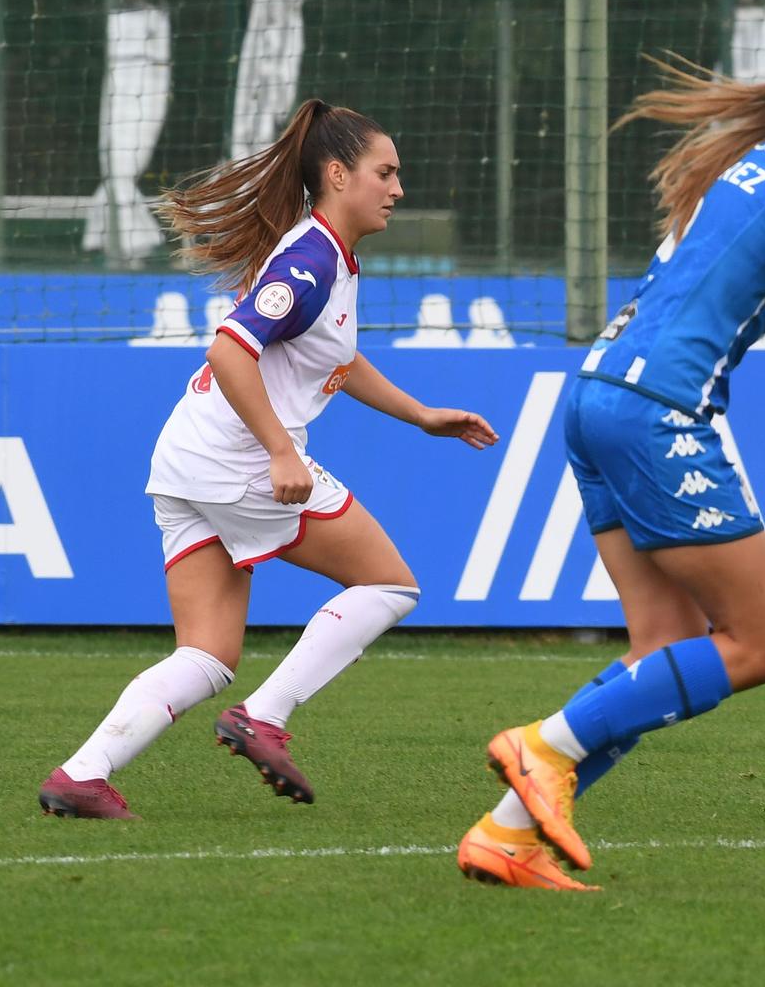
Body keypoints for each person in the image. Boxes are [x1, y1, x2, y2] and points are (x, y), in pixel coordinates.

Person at [459, 50, 765, 892]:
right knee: (763, 644)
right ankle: (542, 746)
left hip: (595, 395)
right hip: (659, 410)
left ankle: (508, 836)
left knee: (660, 652)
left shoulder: (751, 160)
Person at [38, 99, 498, 821]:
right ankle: (267, 716)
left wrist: (420, 414)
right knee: (390, 585)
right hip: (238, 460)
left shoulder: (327, 258)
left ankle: (81, 776)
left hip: (187, 459)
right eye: (387, 172)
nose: (398, 189)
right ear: (340, 175)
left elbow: (335, 358)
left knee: (209, 656)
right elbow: (228, 348)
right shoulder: (313, 257)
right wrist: (282, 452)